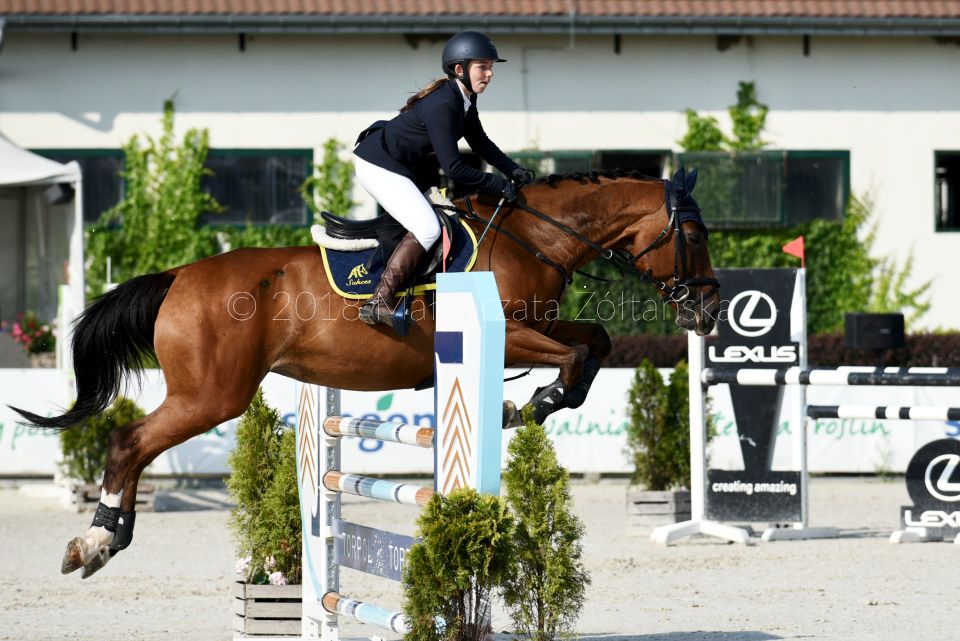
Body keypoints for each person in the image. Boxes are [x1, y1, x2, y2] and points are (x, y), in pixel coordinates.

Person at [352, 30, 534, 329]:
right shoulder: (443, 104)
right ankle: (379, 300)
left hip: (400, 166)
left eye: (491, 67)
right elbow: (454, 168)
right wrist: (499, 185)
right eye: (483, 67)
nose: (489, 74)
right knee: (427, 228)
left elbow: (480, 142)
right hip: (377, 165)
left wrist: (513, 169)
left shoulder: (464, 99)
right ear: (459, 69)